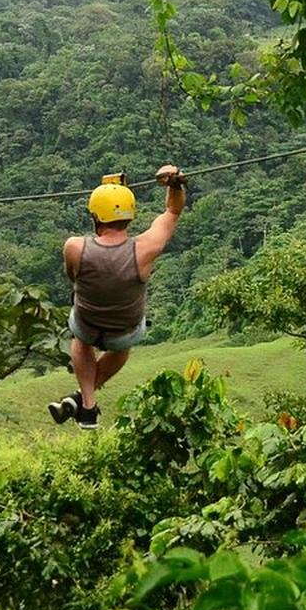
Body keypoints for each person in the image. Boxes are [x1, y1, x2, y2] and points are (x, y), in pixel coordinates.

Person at [48, 165, 186, 429]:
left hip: (87, 326)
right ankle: (83, 403)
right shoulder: (145, 249)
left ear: (96, 217)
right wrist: (174, 183)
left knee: (80, 339)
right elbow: (173, 211)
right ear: (130, 215)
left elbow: (72, 277)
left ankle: (86, 404)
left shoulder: (74, 247)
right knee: (122, 346)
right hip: (124, 331)